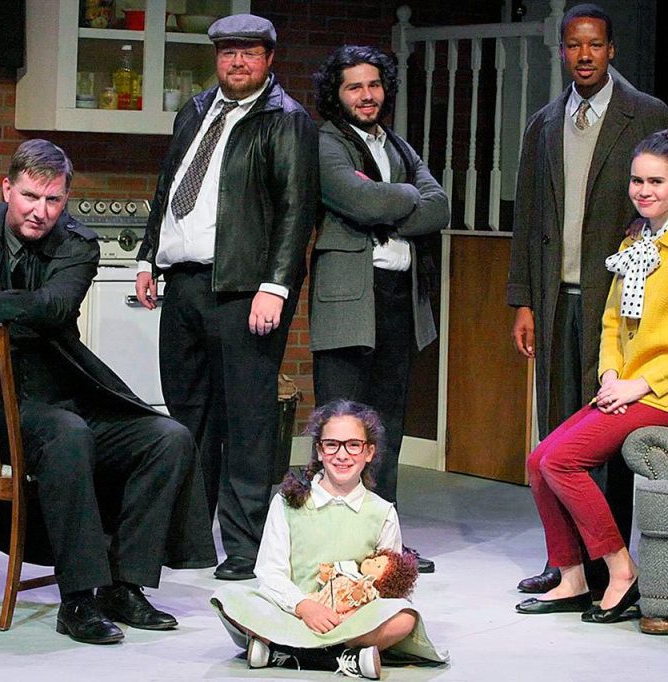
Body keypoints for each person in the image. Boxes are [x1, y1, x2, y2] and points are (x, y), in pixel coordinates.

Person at [0, 139, 217, 644]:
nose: (40, 211)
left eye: (53, 200)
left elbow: (52, 305)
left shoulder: (77, 244)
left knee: (168, 437)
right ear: (7, 188)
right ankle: (77, 600)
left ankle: (124, 585)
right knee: (67, 434)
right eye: (30, 196)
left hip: (57, 397)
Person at [134, 13, 318, 582]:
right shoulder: (196, 110)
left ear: (268, 58)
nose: (237, 62)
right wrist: (148, 256)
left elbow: (296, 208)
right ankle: (189, 539)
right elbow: (168, 187)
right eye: (228, 52)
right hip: (186, 282)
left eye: (250, 53)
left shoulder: (285, 119)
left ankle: (245, 545)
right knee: (187, 414)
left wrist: (277, 285)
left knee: (247, 422)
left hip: (246, 288)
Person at [515, 129, 668, 622]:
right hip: (624, 386)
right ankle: (571, 576)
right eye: (637, 180)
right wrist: (611, 372)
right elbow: (613, 320)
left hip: (666, 394)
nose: (644, 190)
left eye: (656, 181)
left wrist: (639, 384)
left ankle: (621, 570)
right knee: (538, 460)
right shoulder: (636, 239)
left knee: (563, 460)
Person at [507, 2, 668, 594]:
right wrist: (524, 300)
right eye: (574, 45)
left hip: (621, 303)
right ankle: (568, 564)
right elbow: (527, 220)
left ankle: (613, 563)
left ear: (611, 51)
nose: (584, 55)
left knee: (607, 431)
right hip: (557, 300)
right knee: (556, 428)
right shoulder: (545, 122)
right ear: (563, 51)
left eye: (595, 45)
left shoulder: (645, 114)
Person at [309, 45, 449, 574]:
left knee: (387, 424)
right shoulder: (327, 142)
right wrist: (401, 199)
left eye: (373, 85)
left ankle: (386, 542)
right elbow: (359, 200)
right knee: (339, 421)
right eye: (354, 87)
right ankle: (332, 540)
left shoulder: (397, 144)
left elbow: (439, 206)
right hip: (349, 296)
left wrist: (394, 200)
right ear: (336, 93)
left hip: (397, 299)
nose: (366, 96)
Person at [210, 400, 448, 678]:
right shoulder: (288, 503)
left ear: (369, 452)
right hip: (293, 613)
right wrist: (304, 606)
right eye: (332, 444)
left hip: (349, 620)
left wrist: (352, 612)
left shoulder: (381, 512)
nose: (342, 455)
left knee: (404, 617)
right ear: (320, 451)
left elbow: (388, 582)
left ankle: (285, 653)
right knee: (230, 599)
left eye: (353, 445)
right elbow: (269, 571)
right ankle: (341, 657)